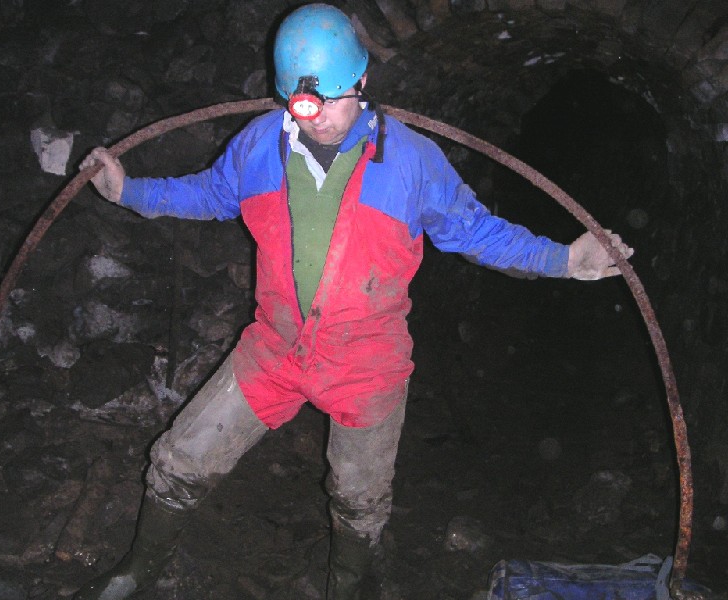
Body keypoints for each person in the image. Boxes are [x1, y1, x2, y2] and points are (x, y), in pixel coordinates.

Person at [74, 4, 633, 599]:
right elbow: (210, 192)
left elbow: (475, 231)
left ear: (363, 82)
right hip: (275, 346)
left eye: (334, 100)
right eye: (304, 105)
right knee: (179, 460)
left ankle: (349, 584)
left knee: (359, 499)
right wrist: (128, 190)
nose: (319, 120)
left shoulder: (413, 162)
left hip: (367, 362)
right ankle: (139, 569)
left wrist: (566, 261)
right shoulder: (259, 145)